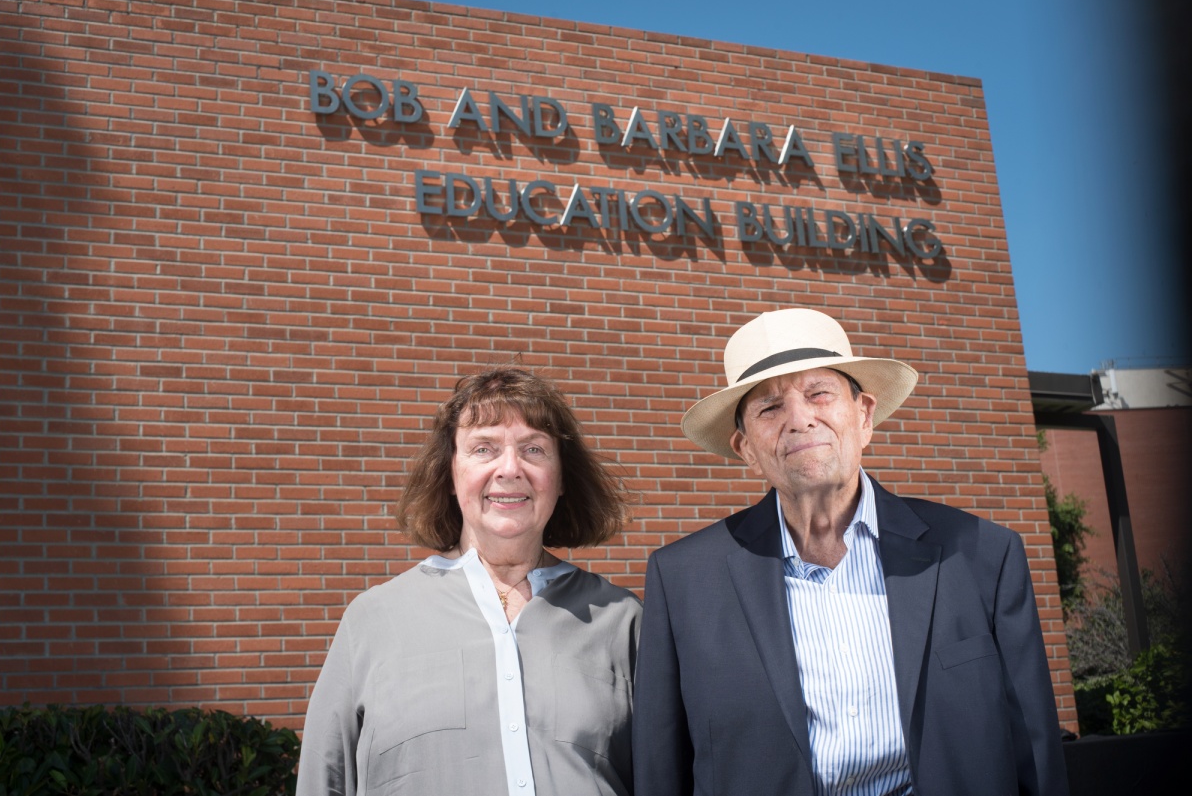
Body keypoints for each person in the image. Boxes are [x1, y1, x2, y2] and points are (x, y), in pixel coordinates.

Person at [632, 309, 1069, 796]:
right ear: (745, 447)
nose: (800, 419)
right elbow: (660, 770)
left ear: (864, 415)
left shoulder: (983, 554)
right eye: (769, 408)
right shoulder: (684, 581)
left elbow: (1035, 751)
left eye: (819, 393)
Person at [298, 368, 642, 796]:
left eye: (534, 449)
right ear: (450, 474)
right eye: (484, 448)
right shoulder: (372, 621)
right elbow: (323, 781)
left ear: (562, 479)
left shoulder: (622, 620)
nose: (510, 468)